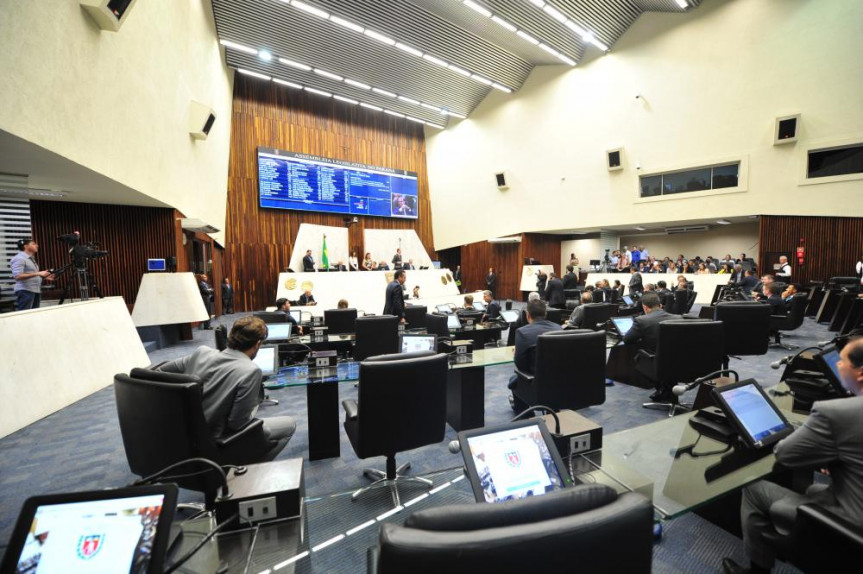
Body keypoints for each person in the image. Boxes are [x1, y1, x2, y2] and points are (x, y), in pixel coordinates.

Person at [721, 337, 863, 574]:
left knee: (753, 489)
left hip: (852, 524)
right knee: (812, 489)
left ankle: (757, 571)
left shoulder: (836, 413)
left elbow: (785, 455)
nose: (837, 365)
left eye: (842, 362)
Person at [156, 316, 295, 461]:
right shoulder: (251, 370)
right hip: (215, 442)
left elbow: (158, 372)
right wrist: (254, 404)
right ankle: (243, 471)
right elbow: (237, 423)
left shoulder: (201, 352)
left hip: (179, 438)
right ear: (258, 344)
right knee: (287, 425)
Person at [508, 299, 562, 412]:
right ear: (545, 313)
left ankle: (524, 413)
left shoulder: (522, 332)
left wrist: (516, 354)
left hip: (535, 384)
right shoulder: (558, 328)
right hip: (557, 381)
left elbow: (520, 365)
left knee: (513, 379)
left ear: (527, 315)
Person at [10, 238, 54, 311]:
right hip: (25, 291)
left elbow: (31, 274)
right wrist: (39, 273)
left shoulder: (30, 258)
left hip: (35, 290)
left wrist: (43, 276)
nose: (37, 245)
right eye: (33, 244)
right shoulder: (19, 258)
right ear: (25, 246)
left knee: (34, 314)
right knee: (25, 314)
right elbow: (18, 276)